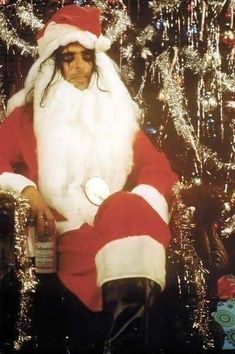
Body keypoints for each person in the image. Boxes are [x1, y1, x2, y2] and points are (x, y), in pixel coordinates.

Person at [0, 5, 178, 353]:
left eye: (86, 57)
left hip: (112, 220)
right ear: (54, 63)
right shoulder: (26, 118)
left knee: (127, 208)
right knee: (94, 249)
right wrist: (28, 191)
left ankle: (125, 343)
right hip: (63, 229)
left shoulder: (116, 116)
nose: (80, 66)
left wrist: (141, 201)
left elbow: (157, 167)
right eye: (69, 58)